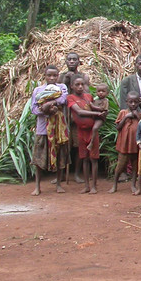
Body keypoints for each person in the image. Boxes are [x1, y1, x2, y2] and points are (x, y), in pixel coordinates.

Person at [30, 66, 69, 196]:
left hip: (58, 128)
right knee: (39, 157)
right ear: (45, 76)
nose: (52, 78)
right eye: (49, 75)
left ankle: (58, 184)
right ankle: (37, 186)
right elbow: (34, 109)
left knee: (59, 156)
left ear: (58, 76)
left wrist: (48, 103)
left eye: (54, 75)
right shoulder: (38, 90)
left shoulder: (62, 87)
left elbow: (63, 100)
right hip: (43, 128)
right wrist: (45, 110)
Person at [67, 76, 106, 194]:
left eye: (82, 84)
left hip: (91, 131)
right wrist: (97, 113)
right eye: (77, 84)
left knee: (93, 159)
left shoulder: (89, 97)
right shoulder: (70, 98)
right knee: (84, 158)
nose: (80, 87)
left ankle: (94, 186)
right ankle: (86, 185)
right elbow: (78, 111)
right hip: (81, 131)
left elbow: (96, 108)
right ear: (72, 86)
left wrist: (100, 113)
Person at [58, 52, 89, 184]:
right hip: (64, 116)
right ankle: (60, 174)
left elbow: (87, 94)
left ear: (78, 62)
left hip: (77, 117)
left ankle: (76, 173)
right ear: (65, 62)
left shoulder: (84, 77)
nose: (71, 62)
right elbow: (56, 93)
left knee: (77, 145)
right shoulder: (60, 76)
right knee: (63, 145)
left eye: (74, 59)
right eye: (69, 59)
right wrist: (65, 81)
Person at [109, 91, 141, 193]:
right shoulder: (123, 113)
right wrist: (126, 117)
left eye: (136, 102)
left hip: (135, 144)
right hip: (124, 144)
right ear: (126, 102)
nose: (133, 104)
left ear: (139, 102)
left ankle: (133, 184)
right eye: (131, 102)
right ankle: (114, 184)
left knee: (135, 165)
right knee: (120, 165)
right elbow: (118, 127)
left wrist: (137, 116)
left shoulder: (140, 114)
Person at [88, 83, 109, 152]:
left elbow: (102, 109)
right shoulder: (95, 100)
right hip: (94, 116)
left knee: (95, 128)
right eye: (99, 91)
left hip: (100, 118)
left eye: (103, 91)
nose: (101, 93)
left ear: (107, 93)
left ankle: (91, 143)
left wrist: (93, 106)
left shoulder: (105, 101)